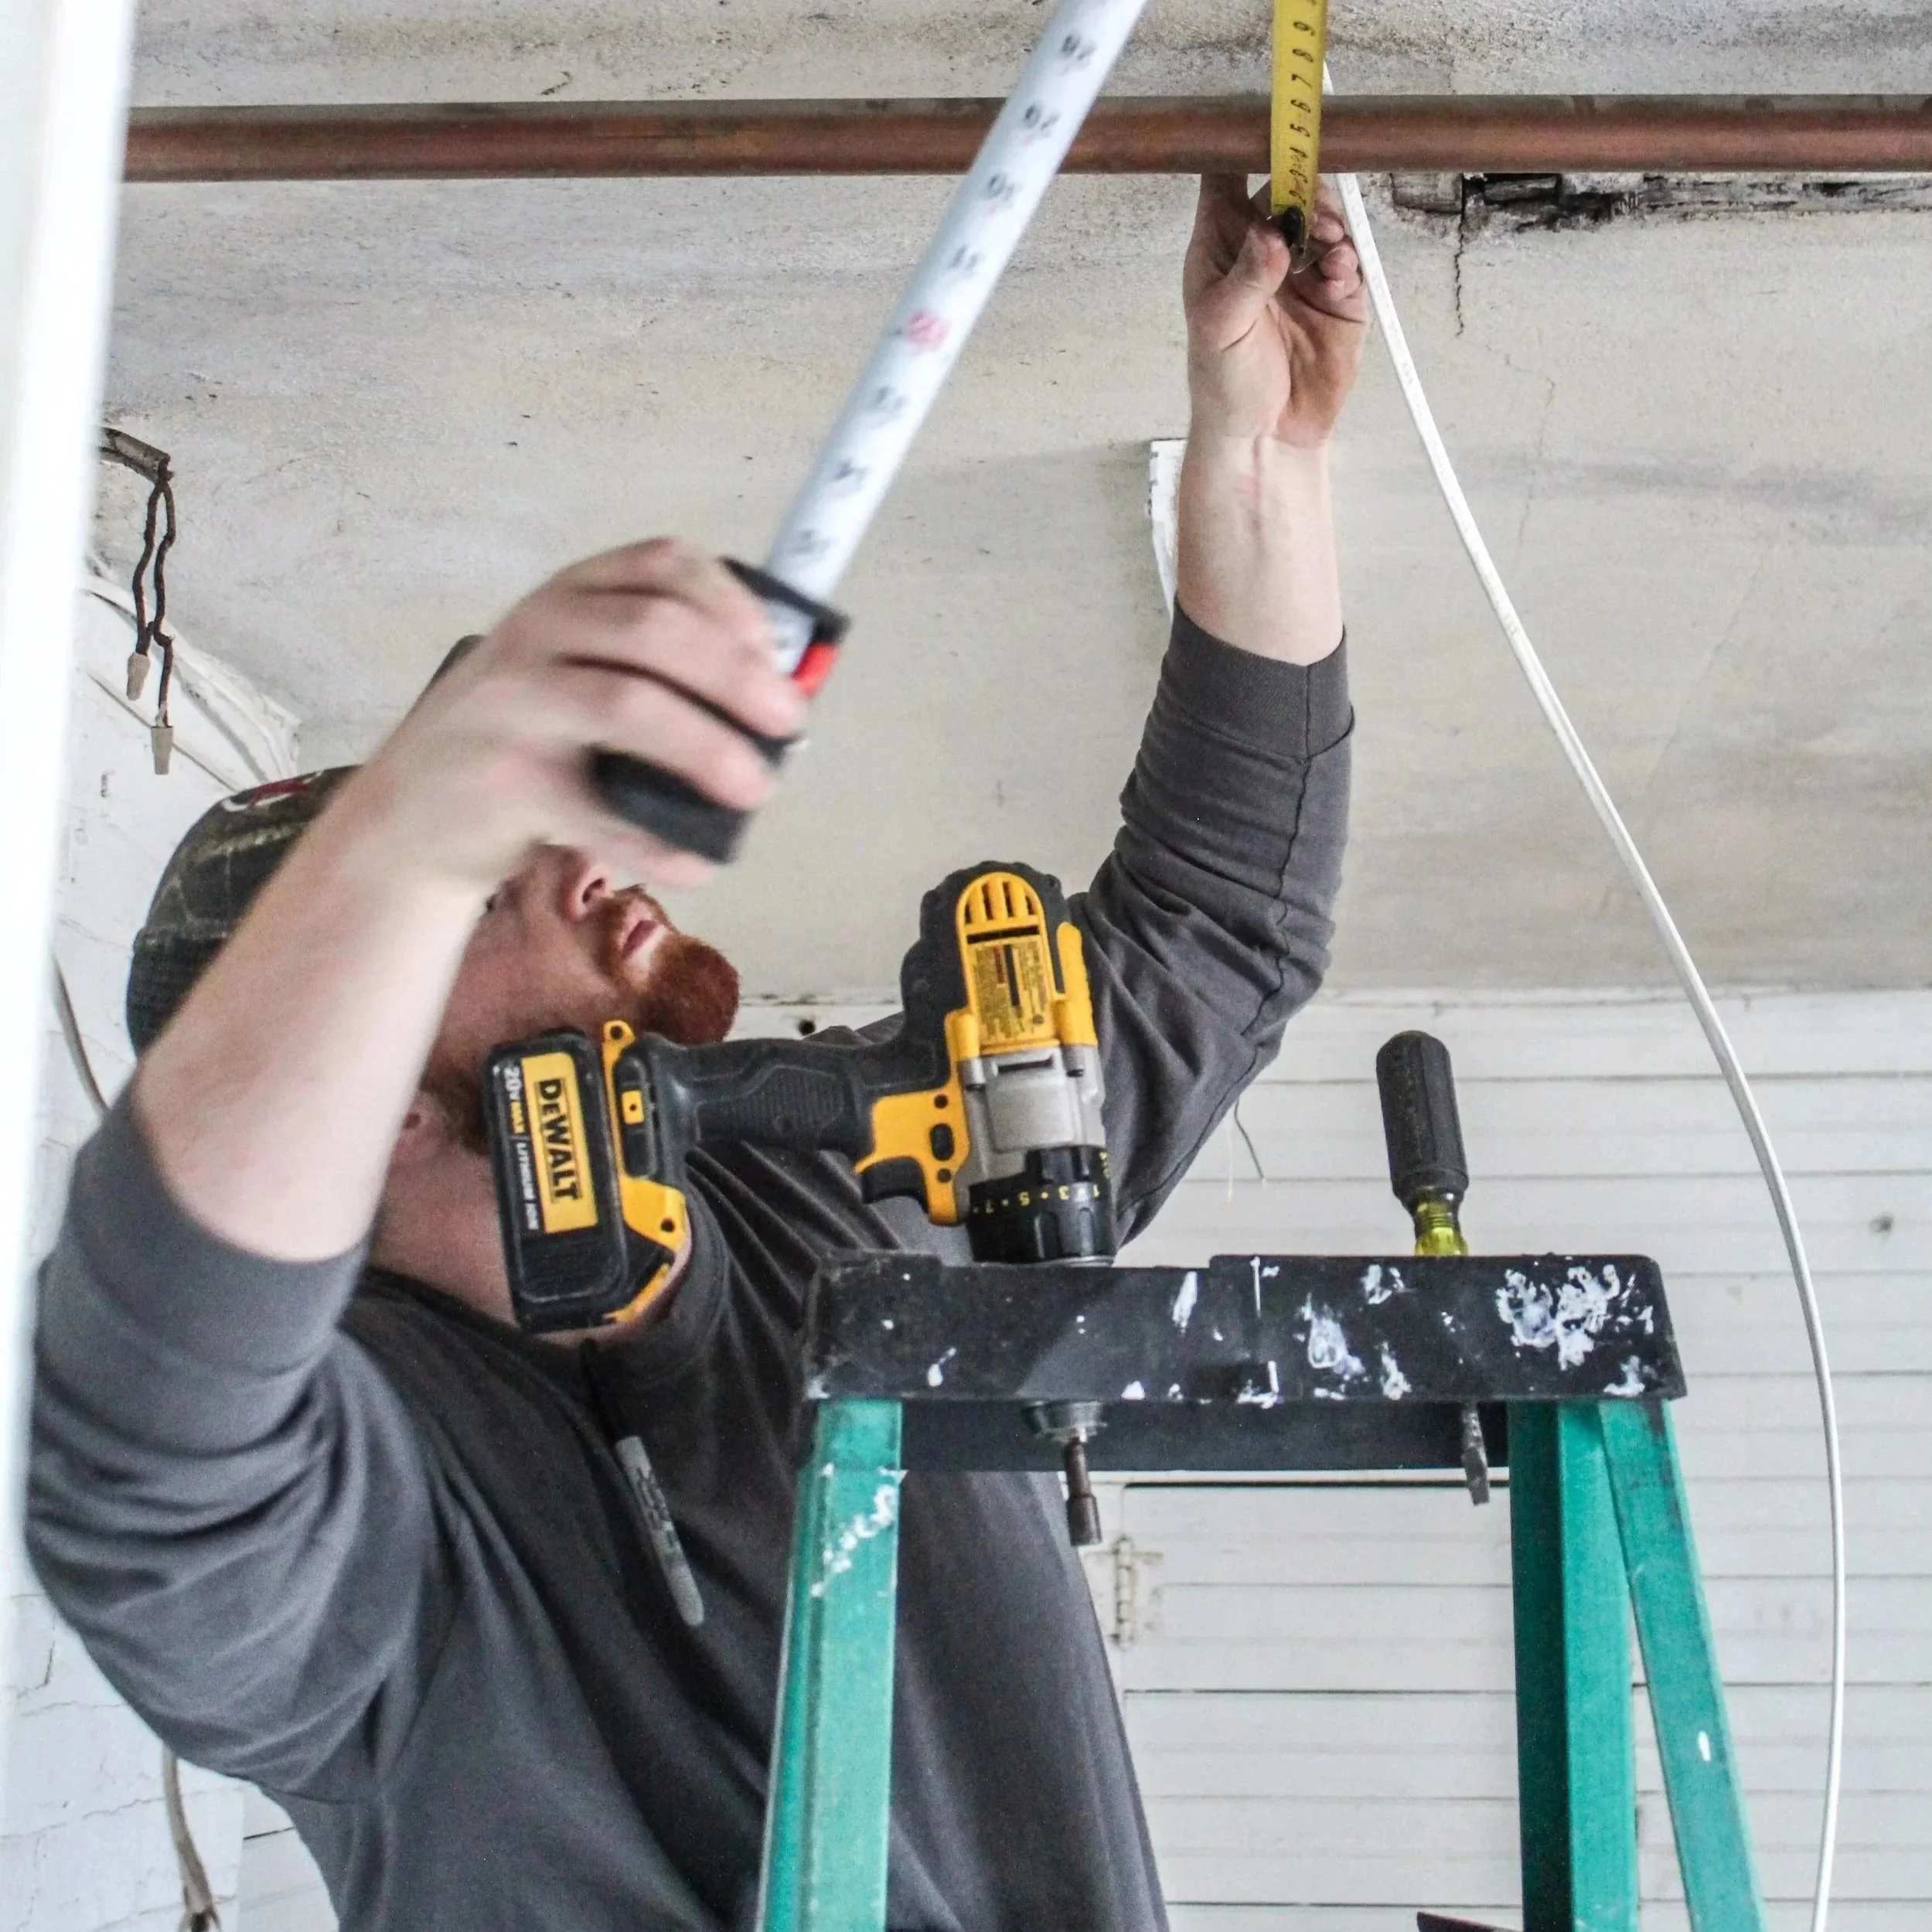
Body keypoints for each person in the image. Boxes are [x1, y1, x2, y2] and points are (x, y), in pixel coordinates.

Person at [28, 176, 1366, 1930]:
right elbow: (145, 1445)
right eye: (483, 878)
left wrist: (1261, 459)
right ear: (346, 1075)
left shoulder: (839, 1199)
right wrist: (413, 835)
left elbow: (1214, 928)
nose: (584, 863)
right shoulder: (370, 1516)